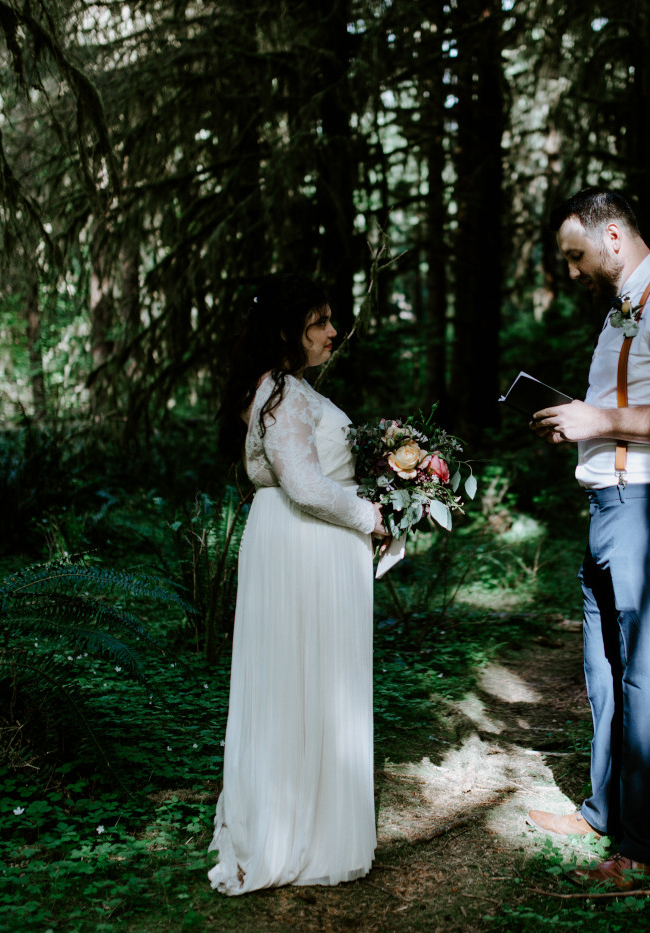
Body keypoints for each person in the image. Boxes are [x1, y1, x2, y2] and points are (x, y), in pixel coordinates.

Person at [526, 187, 650, 889]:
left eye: (577, 256)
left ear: (613, 239)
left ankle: (647, 850)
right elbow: (621, 408)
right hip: (611, 507)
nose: (574, 272)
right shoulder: (619, 315)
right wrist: (578, 424)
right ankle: (605, 810)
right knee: (606, 672)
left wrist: (599, 423)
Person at [208, 274, 387, 895]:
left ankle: (306, 819)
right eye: (319, 322)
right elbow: (304, 486)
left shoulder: (289, 389)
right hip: (300, 545)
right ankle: (294, 834)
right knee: (300, 680)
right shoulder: (280, 390)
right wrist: (373, 513)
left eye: (332, 319)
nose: (333, 331)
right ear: (287, 331)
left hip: (304, 545)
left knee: (309, 681)